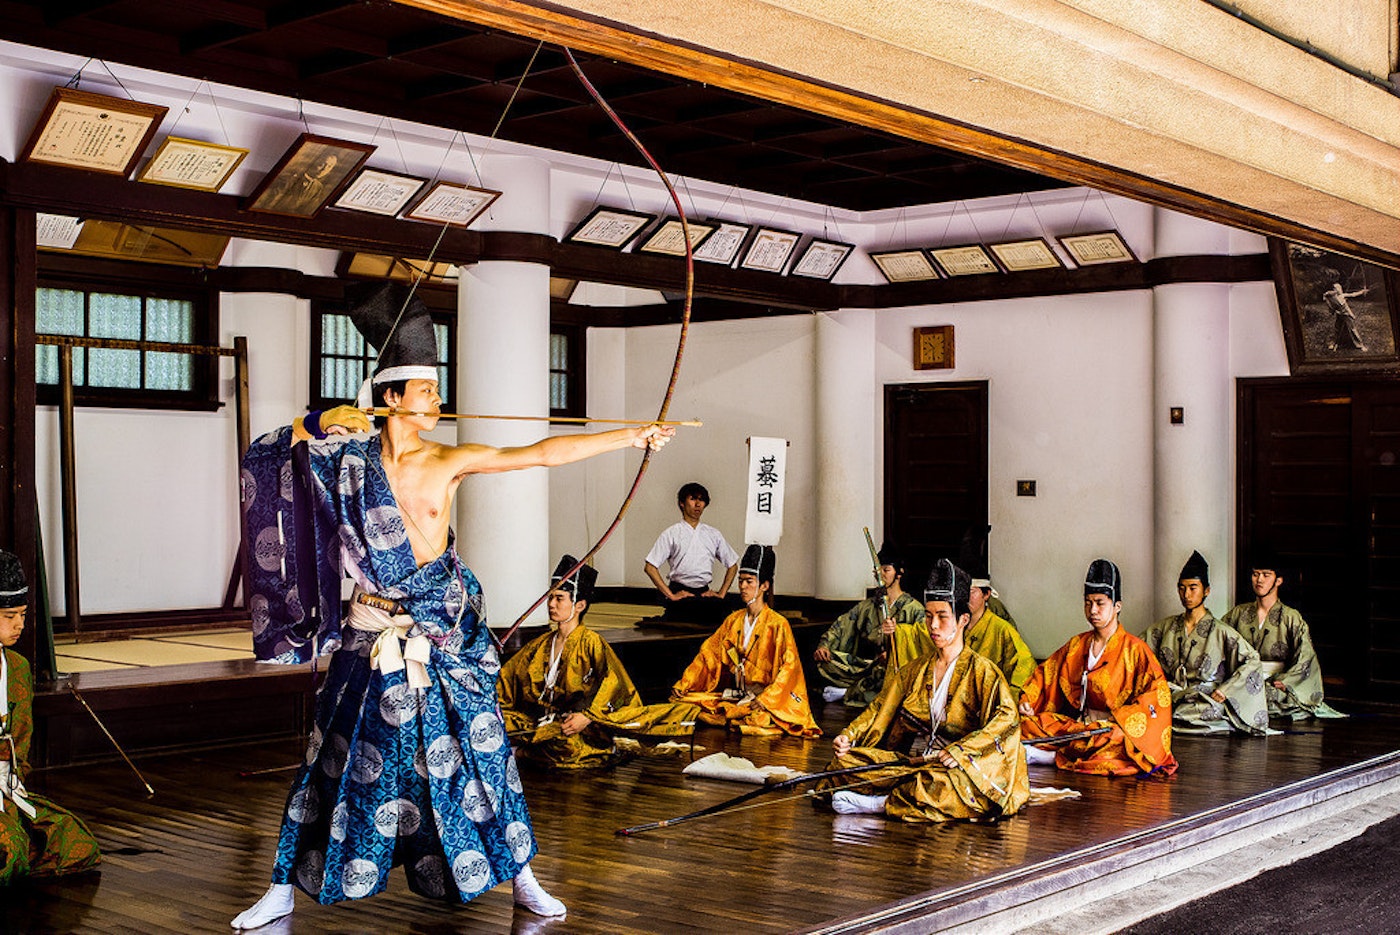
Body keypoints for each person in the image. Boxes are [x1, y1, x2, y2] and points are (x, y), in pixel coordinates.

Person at [232, 282, 674, 929]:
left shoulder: (447, 459)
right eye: (426, 390)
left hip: (443, 635)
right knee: (332, 756)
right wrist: (318, 422)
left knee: (486, 754)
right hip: (373, 634)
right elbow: (266, 458)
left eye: (438, 390)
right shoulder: (347, 459)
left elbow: (540, 452)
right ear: (389, 397)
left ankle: (523, 877)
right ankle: (281, 887)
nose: (438, 401)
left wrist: (631, 435)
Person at [817, 559, 1029, 822]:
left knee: (939, 784)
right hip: (914, 761)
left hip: (955, 767)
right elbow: (880, 708)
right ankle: (897, 795)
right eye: (928, 616)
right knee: (846, 763)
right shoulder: (915, 669)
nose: (934, 626)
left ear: (963, 619)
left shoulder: (982, 671)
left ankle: (881, 804)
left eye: (942, 617)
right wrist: (850, 735)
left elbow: (1007, 719)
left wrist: (962, 751)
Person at [497, 555, 699, 769]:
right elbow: (507, 679)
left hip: (577, 724)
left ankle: (519, 752)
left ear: (579, 605)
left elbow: (615, 685)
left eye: (559, 598)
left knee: (567, 746)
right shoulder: (540, 644)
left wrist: (587, 717)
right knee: (496, 722)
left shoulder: (592, 642)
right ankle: (525, 749)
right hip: (542, 720)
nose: (551, 604)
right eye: (550, 598)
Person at [1019, 559, 1178, 777]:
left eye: (1100, 603)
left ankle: (1050, 757)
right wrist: (1028, 699)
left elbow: (1157, 697)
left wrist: (1121, 718)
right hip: (1078, 726)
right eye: (1088, 602)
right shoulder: (1077, 645)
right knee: (1030, 724)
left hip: (1109, 729)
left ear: (1117, 606)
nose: (1093, 610)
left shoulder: (1135, 650)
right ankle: (1065, 751)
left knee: (1118, 740)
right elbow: (1047, 673)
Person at [0, 549, 101, 883]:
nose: (19, 625)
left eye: (23, 615)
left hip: (6, 788)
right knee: (9, 852)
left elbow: (22, 740)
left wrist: (14, 779)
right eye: (9, 615)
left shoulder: (16, 667)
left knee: (75, 843)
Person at [671, 545, 820, 737]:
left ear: (764, 586)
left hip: (766, 697)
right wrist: (685, 683)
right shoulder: (733, 620)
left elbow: (790, 669)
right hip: (738, 693)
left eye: (749, 581)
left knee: (759, 719)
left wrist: (767, 699)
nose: (742, 587)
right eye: (740, 581)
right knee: (689, 700)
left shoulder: (778, 624)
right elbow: (709, 654)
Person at [1143, 551, 1269, 735]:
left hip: (1203, 698)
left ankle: (1169, 719)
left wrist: (1226, 690)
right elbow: (1136, 650)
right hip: (1170, 695)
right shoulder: (1165, 626)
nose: (1186, 594)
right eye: (1182, 588)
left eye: (1193, 588)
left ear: (1206, 591)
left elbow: (1252, 660)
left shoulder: (1220, 631)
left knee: (1211, 709)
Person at [1220, 549, 1345, 720]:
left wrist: (1287, 681)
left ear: (1278, 580)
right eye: (1255, 574)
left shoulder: (1291, 617)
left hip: (1275, 682)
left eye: (1266, 575)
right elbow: (1219, 641)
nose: (1259, 580)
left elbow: (1305, 656)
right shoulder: (1238, 613)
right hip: (1242, 679)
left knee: (1270, 699)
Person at [813, 542, 925, 708]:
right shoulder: (868, 606)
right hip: (868, 666)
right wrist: (825, 646)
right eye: (877, 570)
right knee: (827, 662)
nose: (880, 575)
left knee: (891, 676)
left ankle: (846, 693)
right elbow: (842, 625)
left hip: (895, 668)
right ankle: (860, 689)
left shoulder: (914, 609)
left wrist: (896, 652)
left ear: (899, 573)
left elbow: (922, 643)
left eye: (886, 570)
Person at [643, 483, 739, 624]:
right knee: (684, 619)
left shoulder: (713, 534)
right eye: (693, 499)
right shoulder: (671, 533)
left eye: (701, 500)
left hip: (704, 593)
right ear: (682, 503)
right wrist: (671, 595)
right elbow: (650, 567)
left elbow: (733, 565)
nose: (698, 504)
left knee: (726, 615)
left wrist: (721, 593)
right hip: (680, 593)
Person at [964, 573, 1035, 701]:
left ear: (986, 595)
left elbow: (1024, 663)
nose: (965, 597)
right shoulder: (953, 626)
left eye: (971, 592)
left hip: (991, 700)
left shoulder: (1002, 629)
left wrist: (1010, 698)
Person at [1322, 281, 1369, 352]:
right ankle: (1334, 343)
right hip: (1339, 315)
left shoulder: (1342, 295)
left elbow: (1353, 294)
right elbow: (1327, 296)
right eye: (1336, 288)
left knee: (1352, 329)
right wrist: (1326, 296)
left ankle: (1360, 345)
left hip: (1346, 315)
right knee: (1337, 330)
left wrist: (1362, 292)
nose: (1338, 289)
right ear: (1334, 290)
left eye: (1339, 287)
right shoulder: (1332, 297)